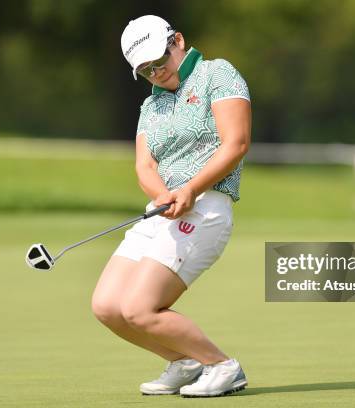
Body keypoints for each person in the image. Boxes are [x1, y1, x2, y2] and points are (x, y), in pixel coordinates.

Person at [91, 14, 251, 398]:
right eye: (145, 70)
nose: (155, 72)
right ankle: (185, 362)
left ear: (177, 40)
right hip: (162, 210)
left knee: (139, 308)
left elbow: (237, 143)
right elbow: (144, 165)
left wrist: (191, 189)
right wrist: (163, 194)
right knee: (108, 306)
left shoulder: (218, 74)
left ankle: (222, 366)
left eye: (158, 60)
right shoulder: (152, 106)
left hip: (205, 207)